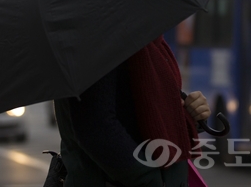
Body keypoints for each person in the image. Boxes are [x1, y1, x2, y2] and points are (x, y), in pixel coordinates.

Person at [54, 35, 211, 187]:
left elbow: (145, 113)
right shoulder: (97, 41)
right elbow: (95, 126)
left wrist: (189, 114)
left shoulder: (149, 43)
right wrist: (150, 180)